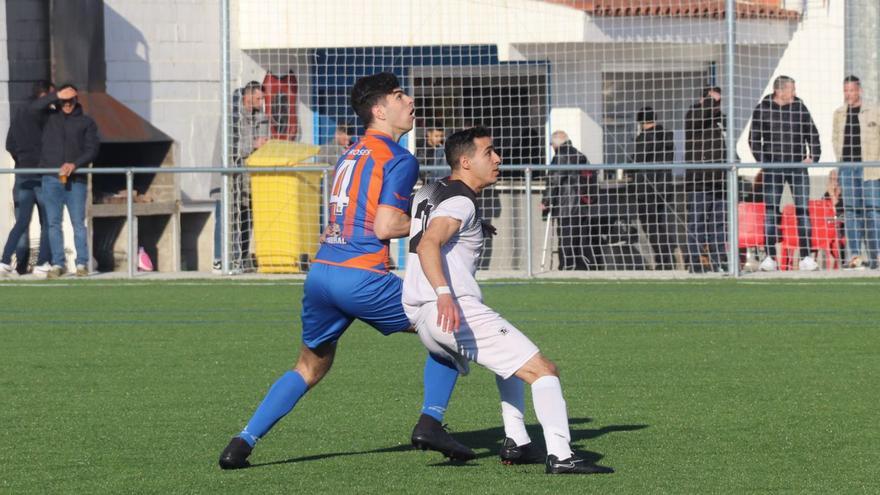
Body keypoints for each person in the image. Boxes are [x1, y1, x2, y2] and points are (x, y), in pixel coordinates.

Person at [218, 73, 469, 470]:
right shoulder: (400, 158)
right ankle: (430, 422)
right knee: (451, 327)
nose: (410, 101)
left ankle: (241, 442)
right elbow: (386, 226)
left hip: (322, 274)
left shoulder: (351, 153)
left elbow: (341, 219)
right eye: (400, 95)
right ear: (380, 110)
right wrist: (438, 219)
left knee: (309, 366)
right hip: (361, 277)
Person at [403, 126, 614, 475]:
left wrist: (475, 226)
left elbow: (424, 229)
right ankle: (562, 456)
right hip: (451, 307)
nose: (498, 158)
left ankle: (517, 442)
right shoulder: (460, 201)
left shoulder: (432, 189)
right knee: (544, 371)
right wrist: (444, 295)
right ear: (466, 161)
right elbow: (429, 243)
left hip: (421, 313)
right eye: (489, 152)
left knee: (511, 364)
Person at [749, 75, 821, 271]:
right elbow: (754, 139)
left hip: (797, 167)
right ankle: (770, 258)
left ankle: (806, 256)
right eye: (792, 89)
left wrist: (813, 155)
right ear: (780, 91)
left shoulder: (800, 107)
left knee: (802, 210)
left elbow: (812, 133)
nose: (794, 93)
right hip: (774, 168)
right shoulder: (763, 109)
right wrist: (765, 162)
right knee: (771, 211)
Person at [32, 83, 99, 278]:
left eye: (71, 100)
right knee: (53, 223)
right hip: (51, 179)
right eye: (64, 101)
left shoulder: (87, 122)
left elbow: (92, 149)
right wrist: (56, 95)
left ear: (77, 100)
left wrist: (74, 164)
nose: (68, 104)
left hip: (76, 180)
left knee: (78, 223)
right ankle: (57, 263)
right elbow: (33, 108)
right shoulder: (48, 118)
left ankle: (81, 264)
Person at [211, 81, 269, 272]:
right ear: (247, 97)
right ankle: (219, 259)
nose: (262, 102)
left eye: (263, 98)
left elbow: (263, 144)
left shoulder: (261, 117)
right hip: (228, 178)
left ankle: (242, 258)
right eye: (259, 98)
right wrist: (254, 145)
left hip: (249, 180)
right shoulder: (232, 117)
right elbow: (231, 149)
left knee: (247, 217)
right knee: (225, 216)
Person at [0, 80, 54, 277]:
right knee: (48, 221)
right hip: (41, 174)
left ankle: (6, 261)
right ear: (45, 94)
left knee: (22, 221)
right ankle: (42, 263)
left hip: (23, 174)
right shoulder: (44, 115)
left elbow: (9, 144)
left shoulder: (19, 114)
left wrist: (21, 159)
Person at [832, 75, 880, 269]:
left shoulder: (874, 111)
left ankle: (876, 255)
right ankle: (854, 256)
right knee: (851, 211)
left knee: (873, 211)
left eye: (851, 90)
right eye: (845, 91)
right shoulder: (839, 114)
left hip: (870, 169)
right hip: (847, 169)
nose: (848, 94)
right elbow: (835, 139)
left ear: (859, 90)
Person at [683, 87, 728, 273]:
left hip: (720, 181)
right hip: (700, 181)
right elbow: (698, 117)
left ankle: (719, 261)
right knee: (697, 222)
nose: (717, 105)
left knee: (718, 224)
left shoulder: (720, 120)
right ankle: (696, 262)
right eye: (713, 101)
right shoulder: (694, 116)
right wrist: (710, 101)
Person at [541, 130, 599, 270]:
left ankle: (567, 265)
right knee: (581, 237)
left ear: (555, 144)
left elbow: (554, 180)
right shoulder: (580, 155)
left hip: (566, 205)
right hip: (582, 204)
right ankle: (584, 265)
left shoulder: (561, 156)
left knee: (566, 237)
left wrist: (546, 201)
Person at [630, 107, 676, 270]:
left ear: (641, 122)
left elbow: (637, 160)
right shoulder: (667, 135)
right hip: (665, 186)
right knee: (662, 224)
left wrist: (628, 169)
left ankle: (662, 260)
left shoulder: (645, 138)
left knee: (651, 225)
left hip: (647, 188)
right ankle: (667, 259)